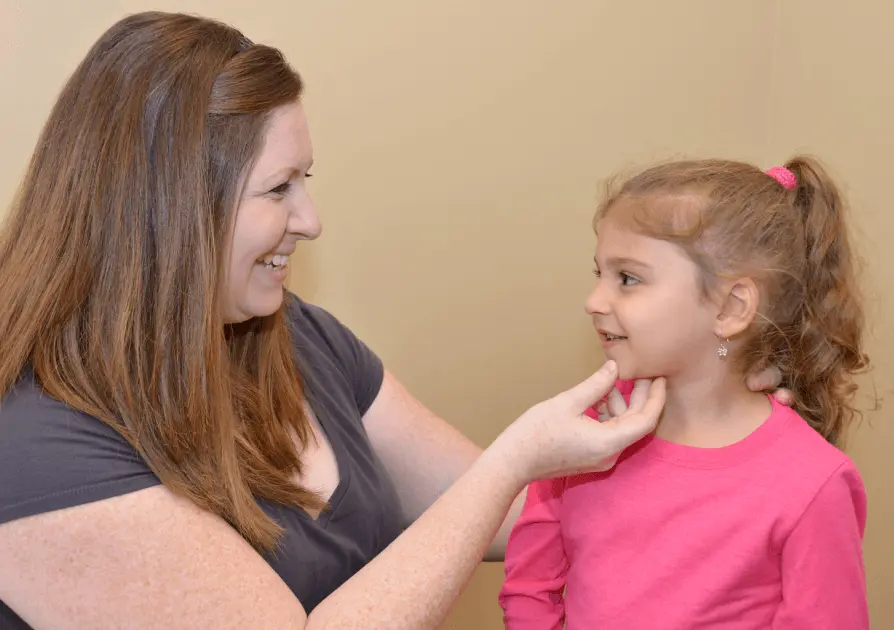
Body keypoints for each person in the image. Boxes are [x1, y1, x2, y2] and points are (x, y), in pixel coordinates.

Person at [0, 12, 788, 629]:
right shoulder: (34, 451)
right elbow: (496, 485)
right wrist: (516, 457)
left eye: (306, 180)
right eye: (279, 190)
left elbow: (505, 515)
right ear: (167, 211)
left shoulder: (297, 338)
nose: (311, 220)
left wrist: (706, 445)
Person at [499, 157, 871, 629]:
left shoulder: (812, 482)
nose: (594, 302)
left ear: (731, 307)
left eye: (628, 279)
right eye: (600, 274)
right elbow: (529, 588)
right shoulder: (583, 437)